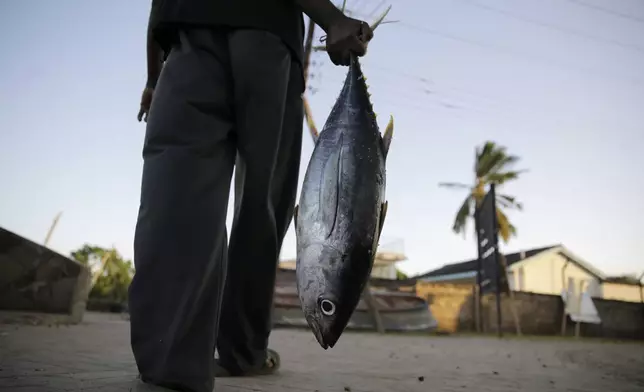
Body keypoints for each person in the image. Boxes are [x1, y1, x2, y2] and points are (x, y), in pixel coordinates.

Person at [128, 0, 374, 391]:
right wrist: (333, 19)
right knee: (261, 207)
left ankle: (170, 364)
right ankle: (243, 353)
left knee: (175, 197)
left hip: (186, 35)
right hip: (266, 32)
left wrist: (154, 78)